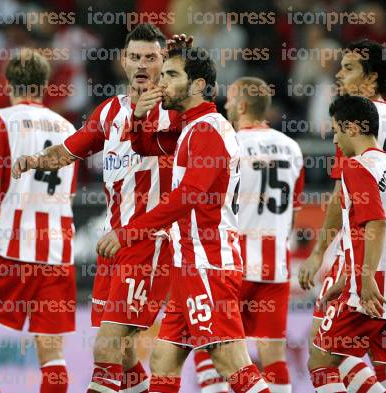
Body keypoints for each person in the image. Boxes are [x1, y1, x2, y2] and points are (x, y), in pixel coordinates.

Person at [12, 24, 190, 393]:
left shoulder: (174, 111)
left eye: (152, 58)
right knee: (123, 357)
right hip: (115, 245)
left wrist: (183, 70)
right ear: (123, 62)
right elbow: (68, 149)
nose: (143, 65)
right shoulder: (109, 112)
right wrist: (33, 160)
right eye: (136, 57)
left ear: (163, 61)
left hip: (150, 242)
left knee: (107, 345)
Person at [97, 47, 271, 393]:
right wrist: (137, 119)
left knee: (229, 360)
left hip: (208, 262)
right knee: (163, 359)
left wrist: (130, 232)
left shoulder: (208, 129)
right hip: (188, 263)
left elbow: (188, 196)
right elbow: (147, 146)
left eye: (172, 75)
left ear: (198, 84)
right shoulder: (192, 128)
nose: (162, 83)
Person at [0, 49, 78, 393]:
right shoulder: (68, 128)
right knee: (52, 353)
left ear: (6, 83)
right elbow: (68, 194)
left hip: (12, 246)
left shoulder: (1, 119)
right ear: (45, 84)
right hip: (58, 250)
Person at [298, 39, 386, 392]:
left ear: (372, 80)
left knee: (322, 348)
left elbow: (343, 195)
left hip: (362, 248)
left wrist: (319, 252)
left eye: (348, 68)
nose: (339, 74)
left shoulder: (357, 120)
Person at [190, 77, 304, 393]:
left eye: (229, 101)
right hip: (275, 266)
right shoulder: (292, 147)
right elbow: (293, 210)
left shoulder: (231, 143)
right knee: (274, 356)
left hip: (232, 262)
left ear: (241, 105)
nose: (225, 106)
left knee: (210, 341)